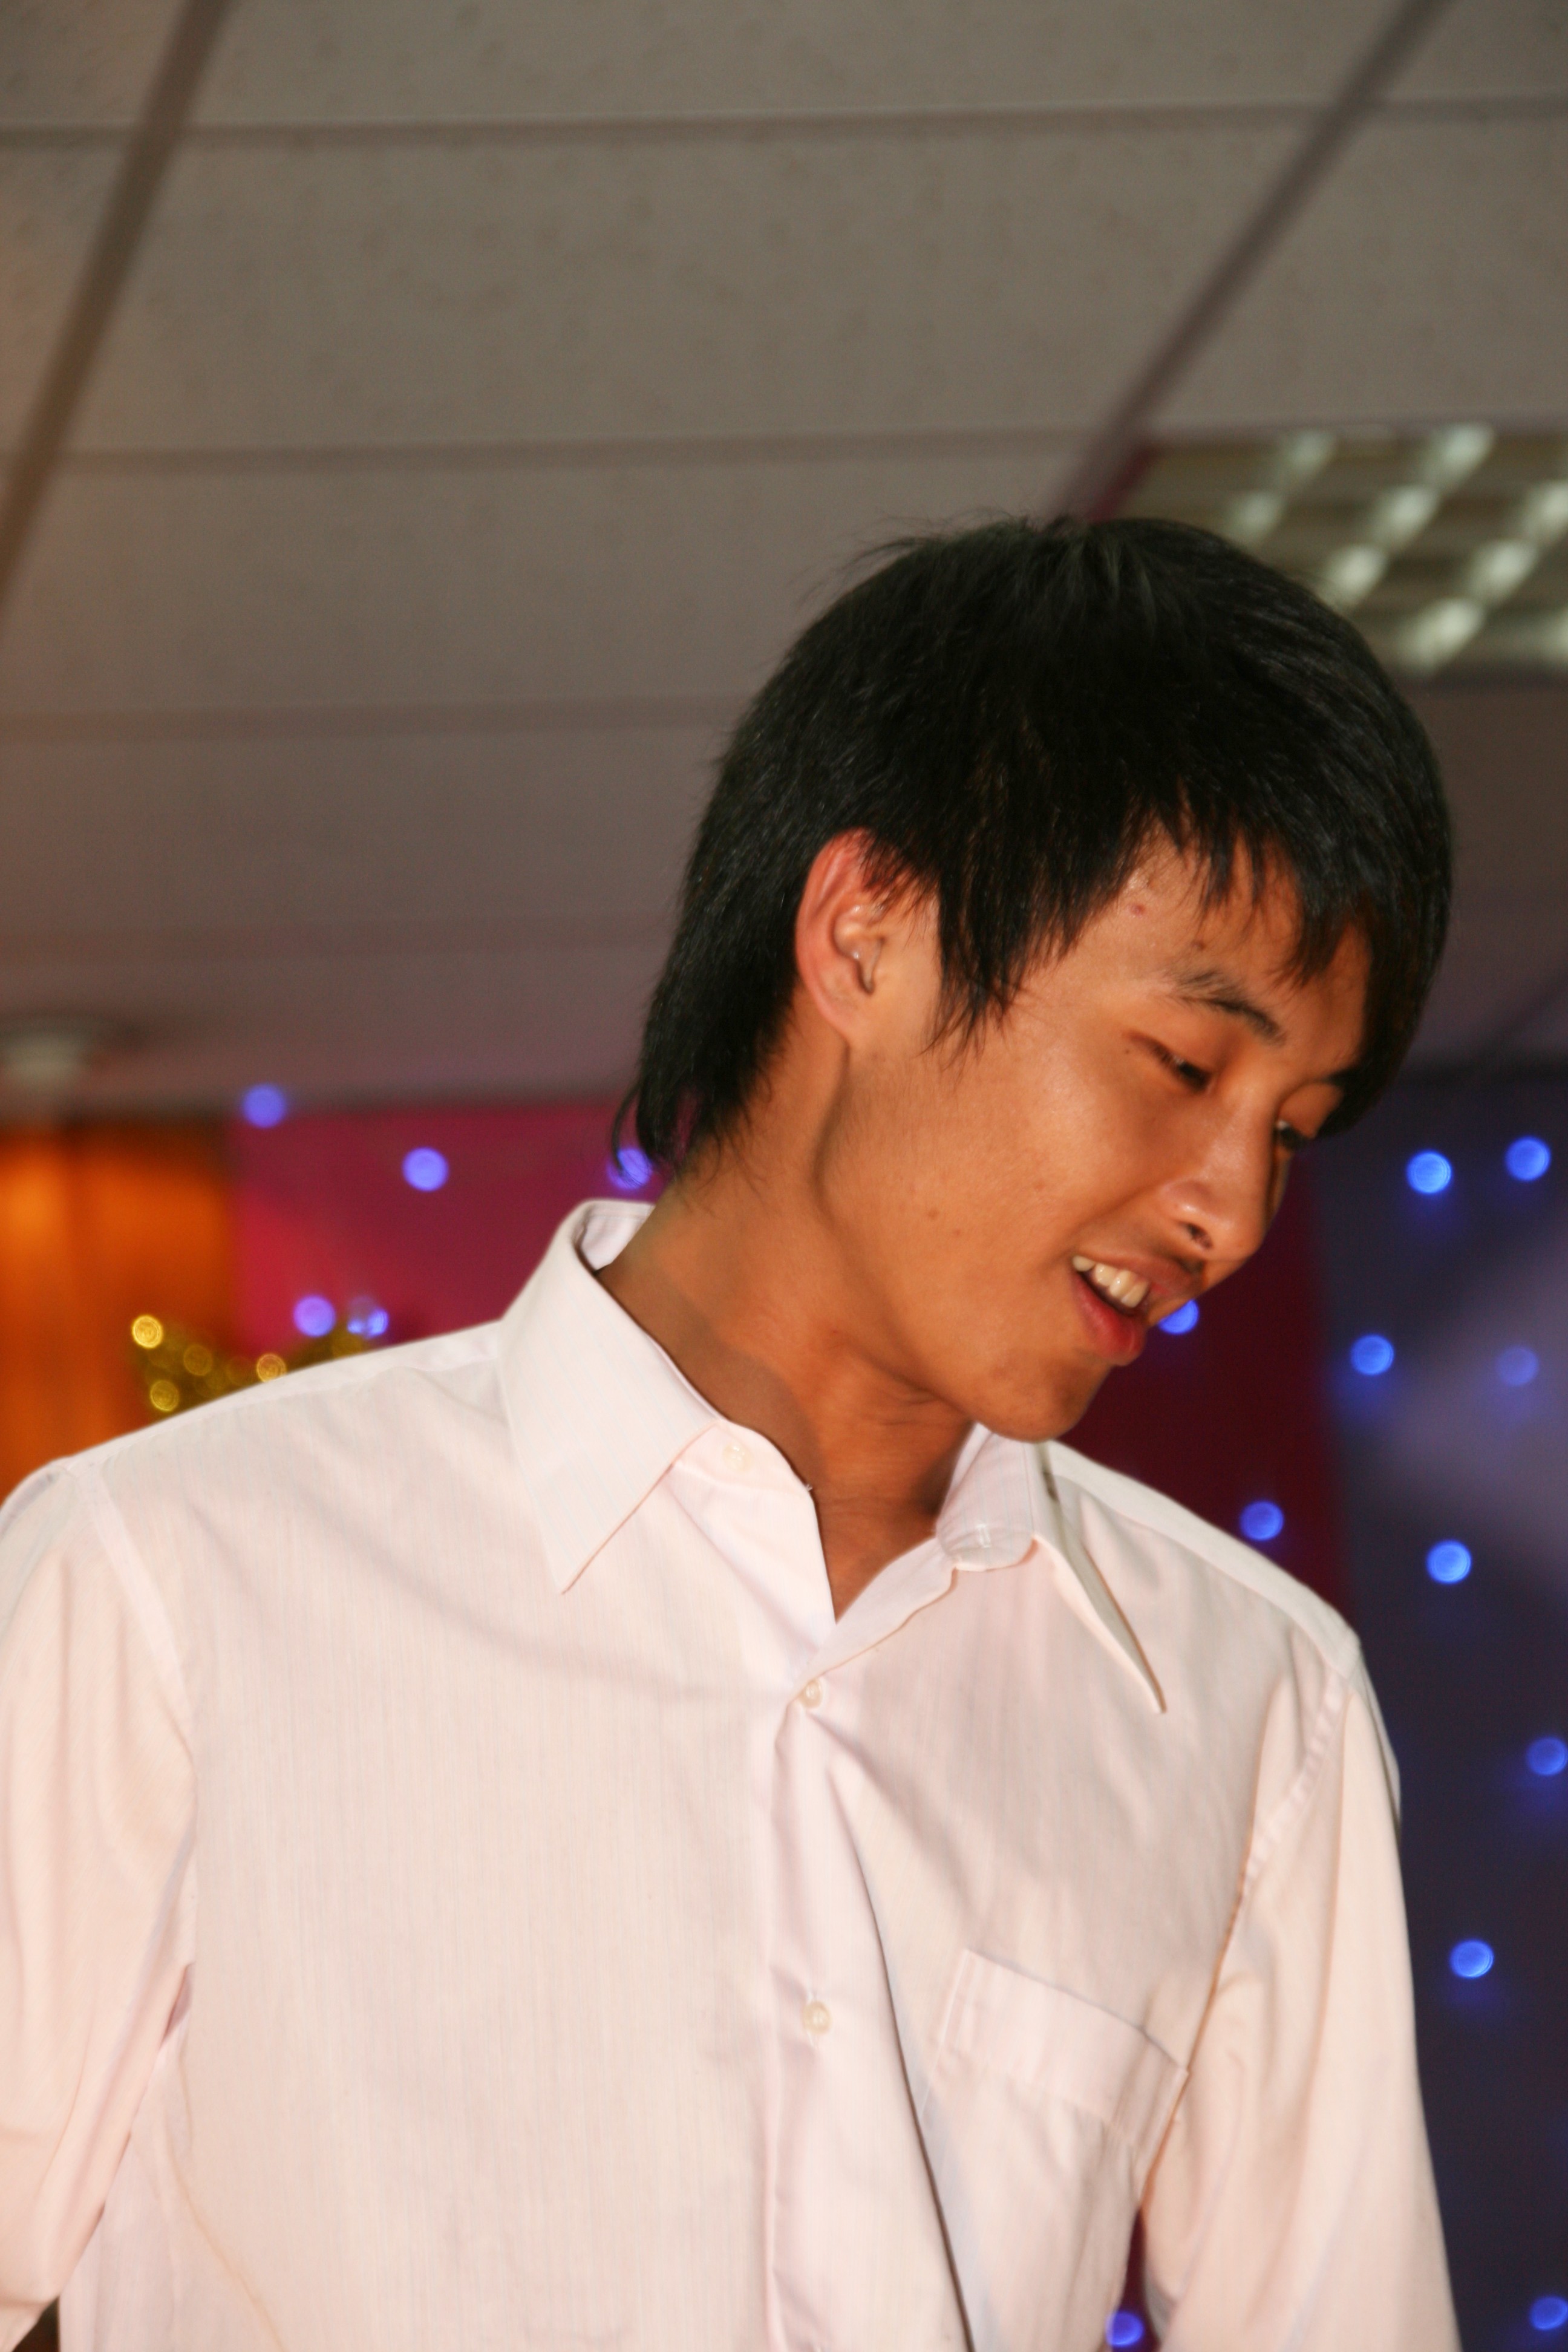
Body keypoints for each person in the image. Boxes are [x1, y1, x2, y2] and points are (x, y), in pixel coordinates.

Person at [0, 518, 1458, 2351]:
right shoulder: (171, 1578)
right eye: (1184, 1066)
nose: (1232, 1211)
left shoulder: (1251, 1700)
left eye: (1295, 1128)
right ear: (869, 934)